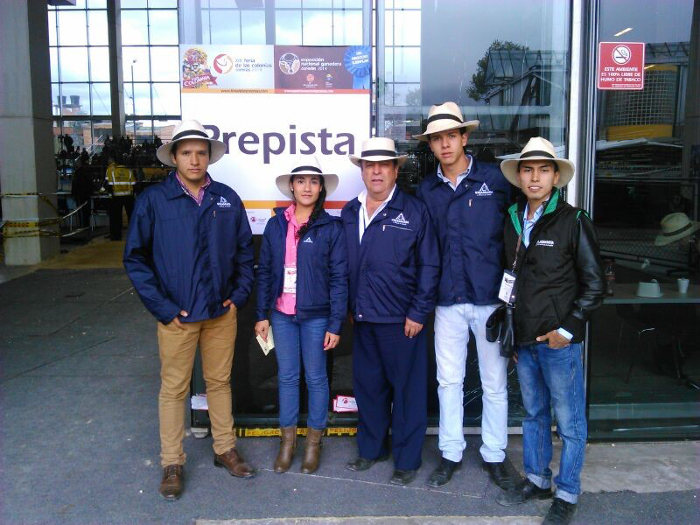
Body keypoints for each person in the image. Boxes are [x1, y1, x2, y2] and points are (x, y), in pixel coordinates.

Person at [123, 120, 256, 501]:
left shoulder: (227, 198)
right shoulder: (154, 201)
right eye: (187, 153)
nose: (195, 159)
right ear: (174, 158)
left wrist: (239, 294)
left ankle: (224, 449)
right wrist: (163, 308)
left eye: (201, 152)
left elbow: (245, 253)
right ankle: (172, 462)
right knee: (174, 389)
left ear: (209, 156)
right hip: (177, 317)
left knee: (218, 383)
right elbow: (136, 259)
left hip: (219, 313)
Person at [495, 137, 604, 525]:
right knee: (534, 415)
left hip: (558, 342)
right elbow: (510, 278)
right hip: (524, 341)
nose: (535, 177)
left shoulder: (574, 220)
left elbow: (595, 284)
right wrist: (512, 332)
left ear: (556, 176)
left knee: (570, 421)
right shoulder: (512, 217)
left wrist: (568, 330)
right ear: (519, 176)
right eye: (528, 169)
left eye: (543, 169)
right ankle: (539, 480)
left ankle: (568, 491)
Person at [414, 102, 514, 489]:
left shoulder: (495, 181)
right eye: (437, 139)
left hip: (490, 299)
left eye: (450, 136)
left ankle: (494, 455)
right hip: (447, 301)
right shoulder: (426, 190)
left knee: (494, 383)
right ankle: (450, 453)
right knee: (449, 381)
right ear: (432, 145)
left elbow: (516, 236)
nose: (444, 144)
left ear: (464, 137)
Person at [341, 137, 439, 486]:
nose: (377, 171)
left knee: (408, 394)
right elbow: (346, 265)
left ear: (396, 170)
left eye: (384, 164)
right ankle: (371, 450)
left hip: (403, 321)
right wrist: (351, 307)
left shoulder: (414, 211)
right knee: (369, 389)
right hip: (364, 318)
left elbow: (429, 265)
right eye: (370, 165)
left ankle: (407, 459)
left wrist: (418, 312)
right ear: (363, 171)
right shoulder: (350, 211)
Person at [254, 158, 348, 475]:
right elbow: (266, 271)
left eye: (313, 181)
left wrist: (335, 323)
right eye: (301, 180)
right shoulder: (276, 224)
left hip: (316, 316)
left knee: (317, 378)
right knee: (288, 378)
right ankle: (288, 443)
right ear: (291, 186)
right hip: (281, 314)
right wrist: (262, 314)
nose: (307, 187)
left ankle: (313, 444)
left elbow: (339, 278)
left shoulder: (331, 227)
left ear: (321, 188)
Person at [105, 154, 135, 240]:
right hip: (128, 197)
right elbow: (134, 185)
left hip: (116, 197)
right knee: (131, 217)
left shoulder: (113, 172)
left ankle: (116, 236)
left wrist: (110, 195)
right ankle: (133, 236)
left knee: (116, 218)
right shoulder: (129, 172)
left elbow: (110, 186)